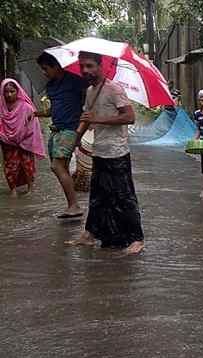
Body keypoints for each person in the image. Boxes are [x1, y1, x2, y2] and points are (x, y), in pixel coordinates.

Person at [65, 51, 144, 254]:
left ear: (100, 66)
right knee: (97, 196)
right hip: (99, 151)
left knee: (124, 196)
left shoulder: (114, 89)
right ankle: (89, 235)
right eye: (82, 66)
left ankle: (137, 238)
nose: (85, 70)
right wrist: (73, 142)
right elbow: (86, 118)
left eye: (90, 66)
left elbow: (129, 117)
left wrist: (98, 119)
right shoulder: (91, 91)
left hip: (117, 153)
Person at [35, 52, 88, 218]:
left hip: (70, 129)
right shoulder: (50, 86)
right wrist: (37, 114)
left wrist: (83, 126)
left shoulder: (75, 81)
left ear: (56, 66)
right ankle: (72, 205)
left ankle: (74, 206)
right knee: (61, 167)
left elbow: (87, 98)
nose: (44, 72)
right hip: (56, 130)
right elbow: (53, 110)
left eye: (45, 69)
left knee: (56, 166)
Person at [0, 79, 45, 196]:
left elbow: (33, 127)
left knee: (28, 165)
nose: (9, 94)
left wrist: (21, 137)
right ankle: (13, 190)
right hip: (7, 142)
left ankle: (30, 189)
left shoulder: (26, 107)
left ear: (17, 91)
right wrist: (5, 137)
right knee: (10, 166)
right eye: (6, 92)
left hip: (25, 141)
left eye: (12, 91)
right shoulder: (1, 107)